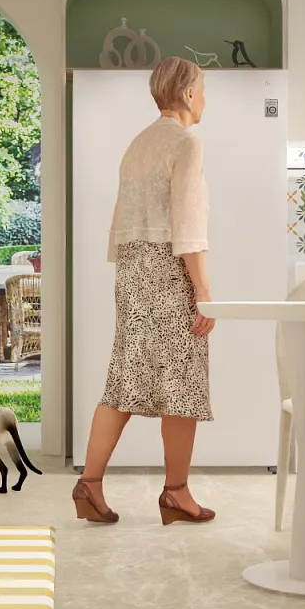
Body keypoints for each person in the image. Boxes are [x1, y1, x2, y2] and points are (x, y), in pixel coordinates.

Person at [72, 56, 216, 526]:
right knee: (183, 382)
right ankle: (176, 493)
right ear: (189, 93)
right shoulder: (186, 143)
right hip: (167, 271)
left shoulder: (138, 144)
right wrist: (203, 290)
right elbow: (188, 225)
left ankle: (89, 484)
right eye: (203, 88)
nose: (205, 98)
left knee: (124, 378)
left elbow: (121, 223)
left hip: (132, 271)